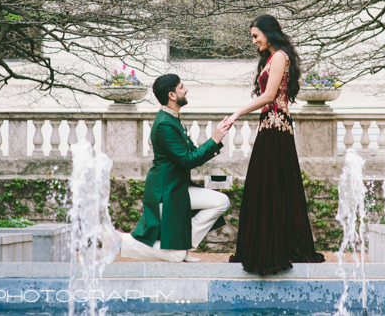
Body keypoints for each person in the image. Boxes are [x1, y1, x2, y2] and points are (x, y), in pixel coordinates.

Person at [227, 14, 325, 275]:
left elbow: (269, 96)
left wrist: (237, 113)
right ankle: (268, 247)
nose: (254, 41)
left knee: (271, 186)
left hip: (275, 126)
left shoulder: (280, 56)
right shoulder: (272, 57)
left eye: (255, 36)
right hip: (270, 126)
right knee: (268, 185)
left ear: (269, 33)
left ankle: (274, 250)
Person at [121, 74, 232, 263]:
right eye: (182, 87)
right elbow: (187, 160)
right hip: (166, 193)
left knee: (221, 201)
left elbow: (191, 154)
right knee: (177, 256)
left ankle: (185, 243)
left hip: (178, 187)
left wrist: (215, 140)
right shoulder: (165, 123)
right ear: (172, 95)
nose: (186, 89)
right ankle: (123, 242)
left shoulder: (172, 118)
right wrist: (214, 140)